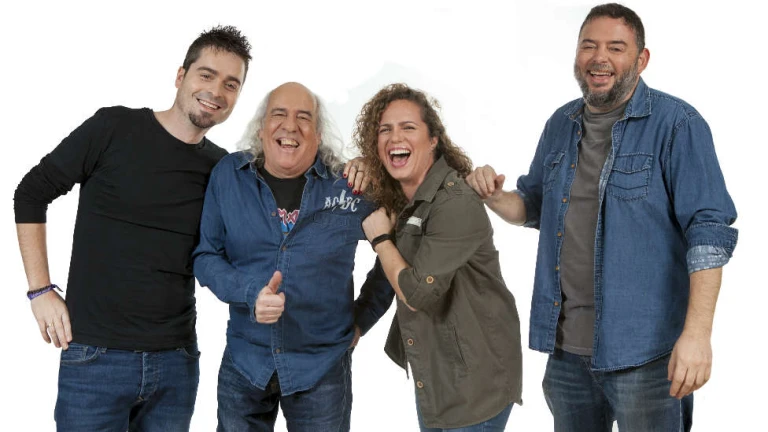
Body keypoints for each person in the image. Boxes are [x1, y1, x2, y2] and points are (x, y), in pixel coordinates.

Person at [466, 3, 738, 431]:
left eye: (616, 47)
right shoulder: (561, 123)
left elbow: (708, 233)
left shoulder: (677, 124)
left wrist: (698, 335)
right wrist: (495, 196)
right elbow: (533, 206)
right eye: (588, 45)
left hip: (647, 356)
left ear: (641, 59)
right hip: (566, 354)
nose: (599, 58)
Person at [13, 26, 251, 431]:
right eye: (206, 75)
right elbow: (31, 193)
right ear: (181, 76)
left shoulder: (222, 168)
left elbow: (235, 248)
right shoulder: (113, 128)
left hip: (176, 363)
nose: (216, 91)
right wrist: (40, 290)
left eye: (231, 84)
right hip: (95, 359)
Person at [192, 82, 394, 432]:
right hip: (245, 361)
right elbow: (207, 256)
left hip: (322, 367)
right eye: (279, 115)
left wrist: (362, 318)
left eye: (304, 118)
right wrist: (250, 293)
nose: (290, 126)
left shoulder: (350, 187)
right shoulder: (229, 176)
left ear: (318, 134)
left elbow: (395, 248)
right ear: (261, 128)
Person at [354, 83, 523, 431]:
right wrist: (354, 327)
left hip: (476, 387)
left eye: (408, 127)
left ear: (433, 140)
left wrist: (381, 240)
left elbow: (417, 294)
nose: (395, 137)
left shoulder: (454, 201)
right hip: (436, 378)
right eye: (385, 130)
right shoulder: (402, 201)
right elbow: (387, 278)